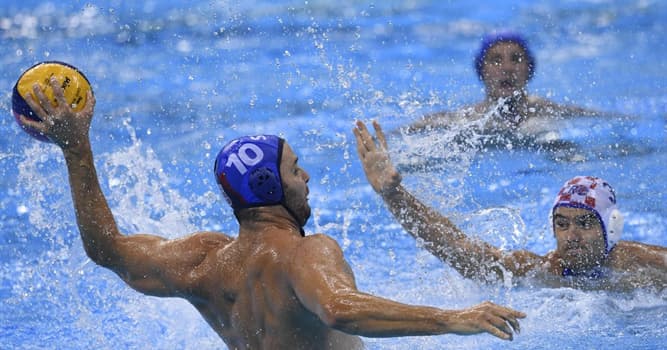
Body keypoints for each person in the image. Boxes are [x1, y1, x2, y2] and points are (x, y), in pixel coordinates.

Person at [19, 77, 526, 349]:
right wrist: (453, 317)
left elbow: (107, 250)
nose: (306, 180)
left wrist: (77, 151)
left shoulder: (205, 262)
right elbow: (338, 308)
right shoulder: (307, 253)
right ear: (268, 185)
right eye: (296, 170)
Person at [354, 120, 667, 292]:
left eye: (584, 223)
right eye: (562, 223)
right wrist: (394, 196)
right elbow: (463, 253)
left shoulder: (642, 265)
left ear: (610, 226)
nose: (571, 235)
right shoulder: (546, 270)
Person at [406, 32, 611, 136]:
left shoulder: (548, 112)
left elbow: (606, 120)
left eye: (516, 59)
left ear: (529, 69)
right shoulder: (466, 119)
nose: (507, 67)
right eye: (496, 60)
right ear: (482, 71)